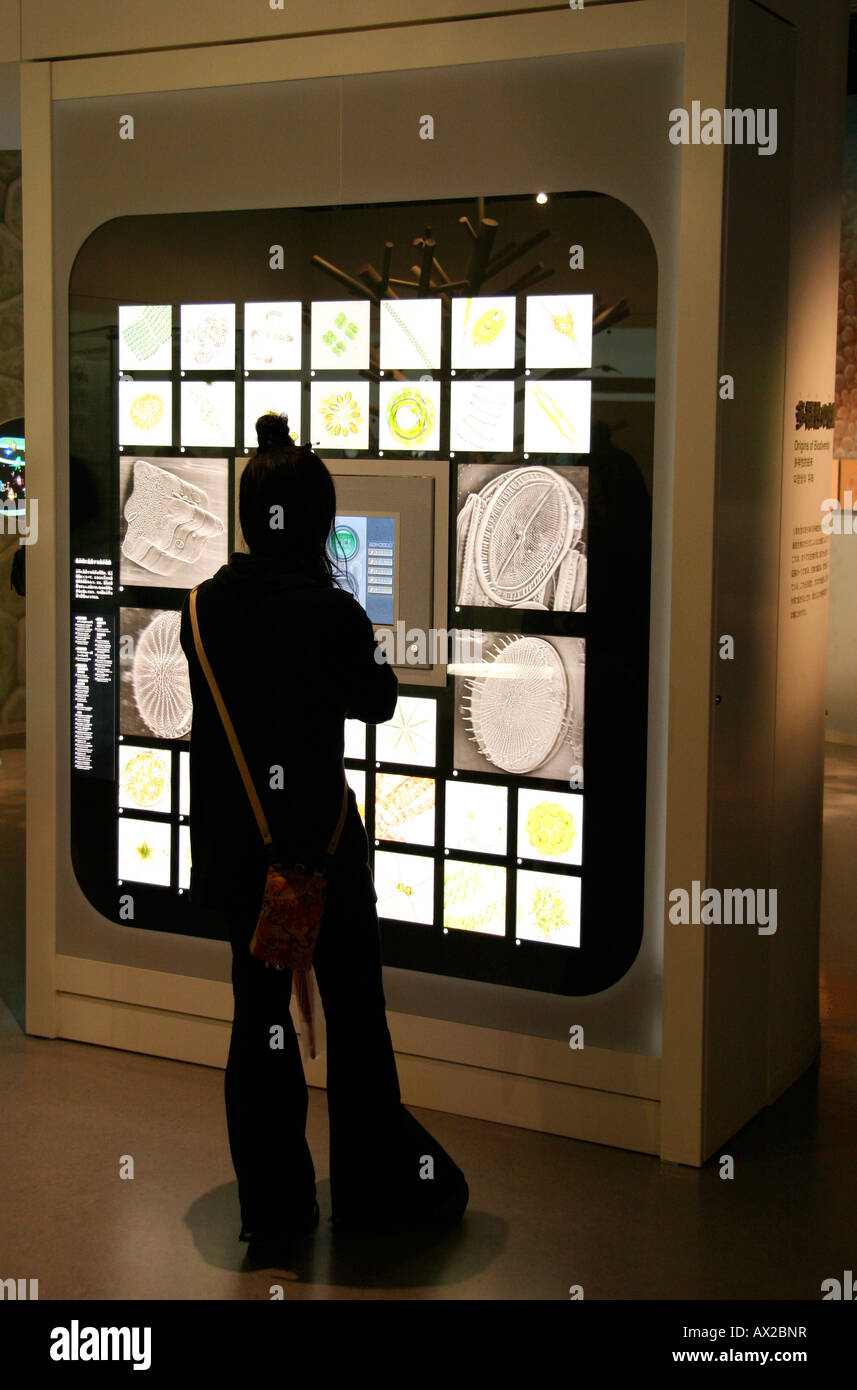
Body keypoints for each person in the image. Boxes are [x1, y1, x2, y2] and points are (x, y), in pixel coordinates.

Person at [179, 413, 468, 1254]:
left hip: (241, 859)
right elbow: (377, 701)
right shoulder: (331, 612)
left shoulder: (201, 609)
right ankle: (370, 1194)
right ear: (319, 521)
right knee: (356, 1020)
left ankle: (272, 1212)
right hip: (325, 848)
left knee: (258, 1021)